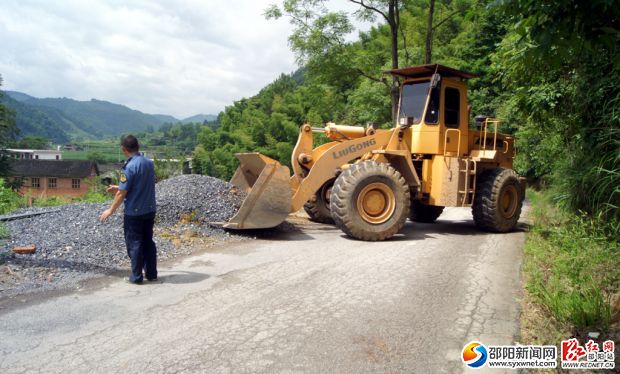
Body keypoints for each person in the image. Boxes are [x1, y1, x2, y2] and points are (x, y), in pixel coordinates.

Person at [100, 135, 157, 284]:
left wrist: (110, 210)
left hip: (134, 212)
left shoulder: (129, 167)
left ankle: (136, 277)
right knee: (148, 241)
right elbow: (139, 184)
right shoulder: (148, 163)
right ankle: (151, 273)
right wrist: (118, 187)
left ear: (124, 150)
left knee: (135, 243)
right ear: (137, 147)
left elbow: (122, 193)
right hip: (149, 210)